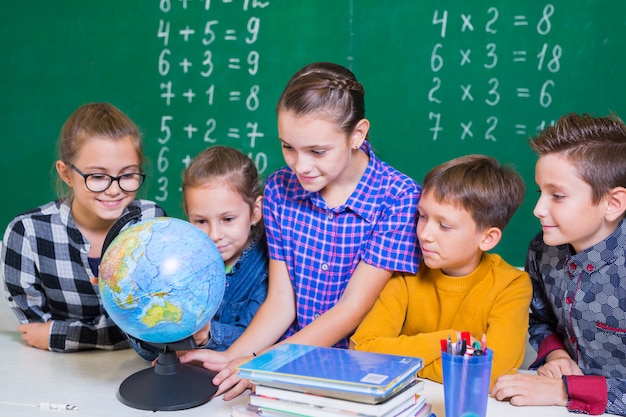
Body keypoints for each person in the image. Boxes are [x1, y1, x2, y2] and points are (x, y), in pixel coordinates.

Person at [180, 61, 421, 399]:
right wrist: (234, 356)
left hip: (355, 371)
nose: (301, 166)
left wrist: (262, 362)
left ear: (357, 134)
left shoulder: (398, 199)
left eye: (317, 151)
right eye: (288, 147)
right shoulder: (280, 189)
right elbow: (282, 301)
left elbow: (352, 309)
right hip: (283, 365)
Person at [351, 154, 531, 387]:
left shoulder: (512, 285)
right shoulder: (406, 272)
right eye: (422, 217)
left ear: (487, 238)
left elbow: (489, 373)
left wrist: (403, 363)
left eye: (444, 226)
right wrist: (448, 341)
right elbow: (362, 350)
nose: (424, 234)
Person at [1, 102, 166, 352]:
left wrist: (65, 336)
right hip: (56, 375)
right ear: (66, 174)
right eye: (98, 176)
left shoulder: (152, 221)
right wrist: (126, 331)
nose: (114, 189)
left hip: (135, 367)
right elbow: (34, 331)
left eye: (128, 174)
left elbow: (159, 324)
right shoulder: (26, 234)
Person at [491, 113, 626, 416]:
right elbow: (540, 319)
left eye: (558, 196)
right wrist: (555, 353)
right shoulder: (542, 250)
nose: (538, 209)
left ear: (613, 203)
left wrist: (566, 391)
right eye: (541, 192)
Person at [130, 146, 268, 360]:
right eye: (201, 221)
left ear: (255, 211)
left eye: (228, 219)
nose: (214, 235)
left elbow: (260, 340)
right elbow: (148, 350)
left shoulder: (267, 269)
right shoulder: (176, 263)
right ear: (187, 215)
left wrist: (207, 336)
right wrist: (130, 297)